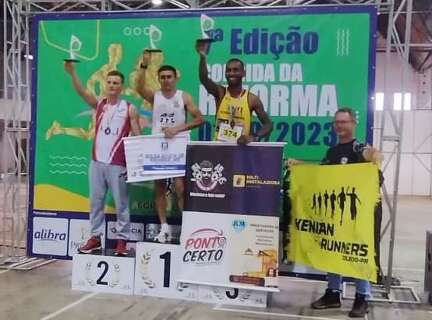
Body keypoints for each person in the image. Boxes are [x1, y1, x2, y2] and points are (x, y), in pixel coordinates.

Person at [310, 107, 382, 318]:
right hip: (336, 213)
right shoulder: (332, 152)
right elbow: (319, 174)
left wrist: (374, 155)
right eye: (337, 122)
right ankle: (333, 293)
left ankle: (362, 297)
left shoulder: (358, 147)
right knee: (333, 250)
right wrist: (299, 166)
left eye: (344, 122)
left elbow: (370, 154)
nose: (340, 125)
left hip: (359, 214)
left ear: (353, 124)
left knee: (358, 252)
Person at [64, 61, 141, 256]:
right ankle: (95, 237)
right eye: (109, 82)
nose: (112, 85)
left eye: (116, 83)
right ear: (105, 85)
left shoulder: (129, 108)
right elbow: (82, 92)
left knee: (121, 204)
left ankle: (122, 241)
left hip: (119, 164)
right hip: (97, 162)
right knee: (95, 202)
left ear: (121, 87)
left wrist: (136, 165)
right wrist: (73, 73)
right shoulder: (99, 105)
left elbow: (138, 138)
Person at [136, 51, 204, 243]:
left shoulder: (184, 97)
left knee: (180, 188)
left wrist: (177, 129)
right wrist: (144, 65)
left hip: (177, 146)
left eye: (169, 77)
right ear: (158, 79)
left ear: (175, 78)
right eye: (163, 77)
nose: (166, 80)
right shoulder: (155, 96)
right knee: (158, 188)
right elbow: (138, 87)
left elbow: (200, 119)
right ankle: (164, 228)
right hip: (158, 147)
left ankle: (187, 228)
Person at [196, 42, 273, 144]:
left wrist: (254, 137)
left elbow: (268, 124)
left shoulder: (251, 99)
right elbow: (204, 79)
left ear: (243, 73)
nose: (231, 73)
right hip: (220, 148)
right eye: (228, 70)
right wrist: (202, 56)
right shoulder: (220, 93)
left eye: (236, 70)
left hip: (242, 150)